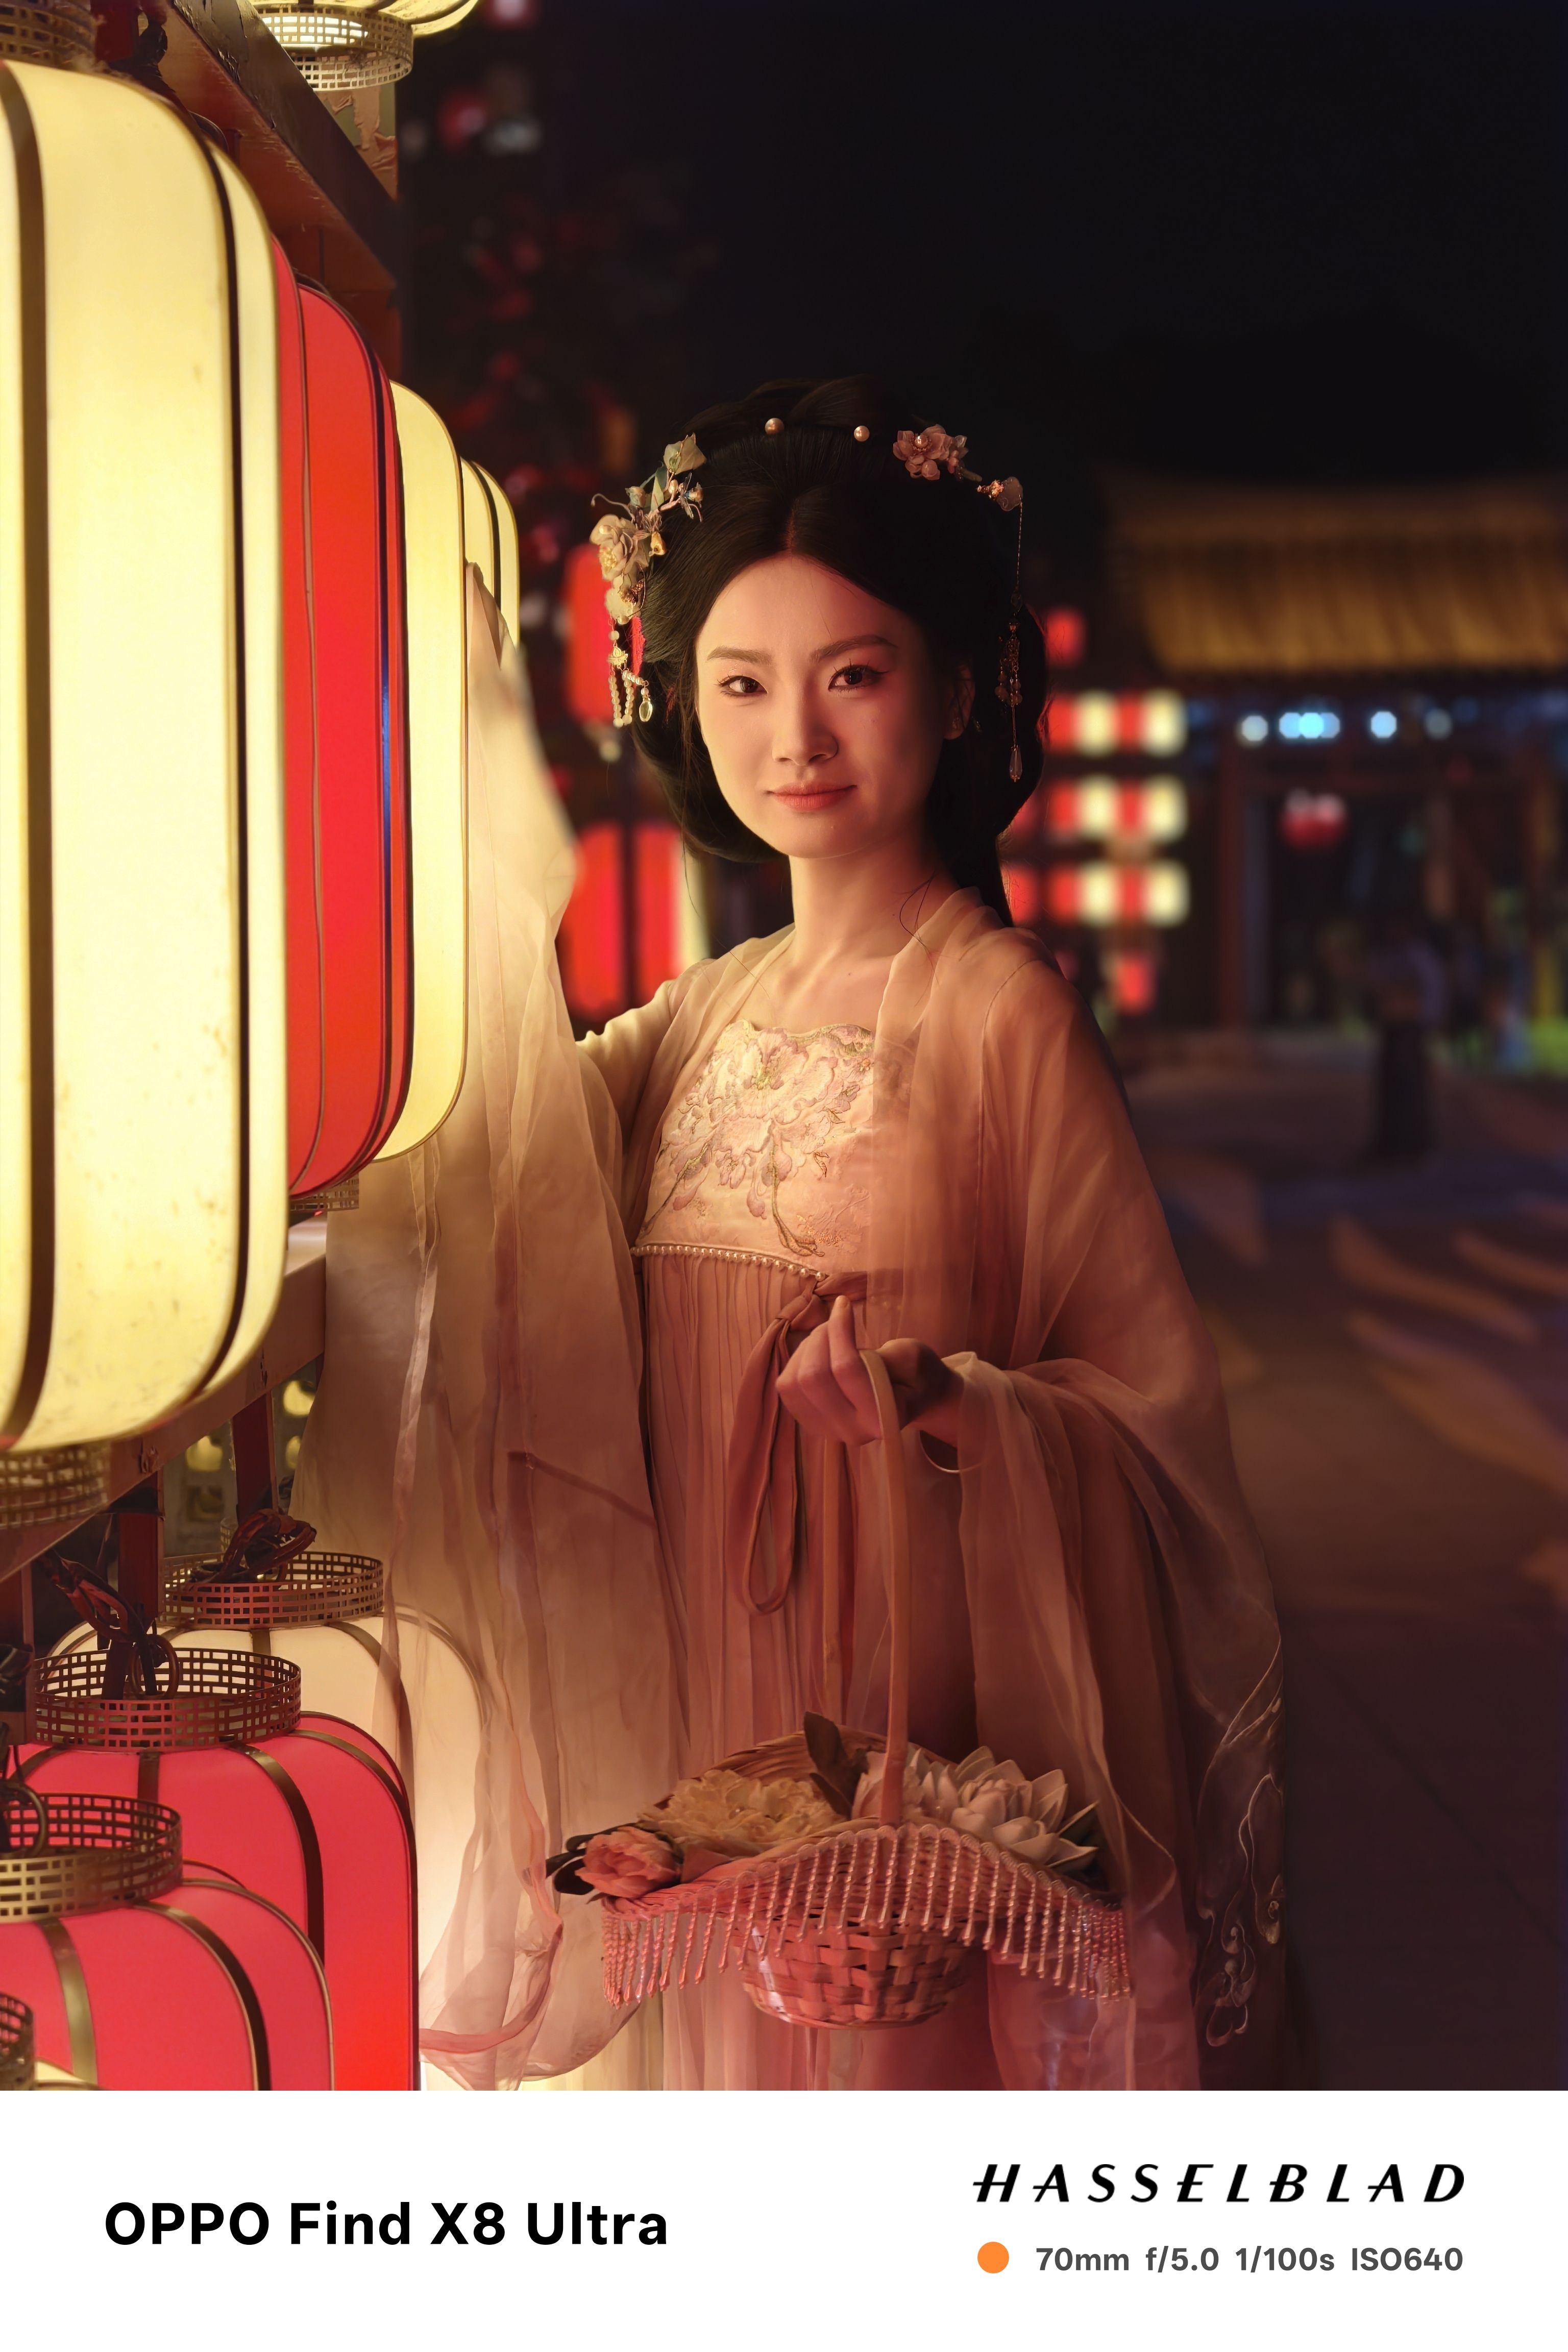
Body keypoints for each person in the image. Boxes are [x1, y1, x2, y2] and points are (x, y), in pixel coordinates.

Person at [296, 376, 1286, 2091]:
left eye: (854, 676)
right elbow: (484, 1163)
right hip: (702, 1696)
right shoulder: (696, 1015)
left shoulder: (999, 1015)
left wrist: (964, 1404)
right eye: (741, 685)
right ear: (677, 703)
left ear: (959, 689)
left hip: (905, 1700)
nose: (796, 738)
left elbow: (1151, 1410)